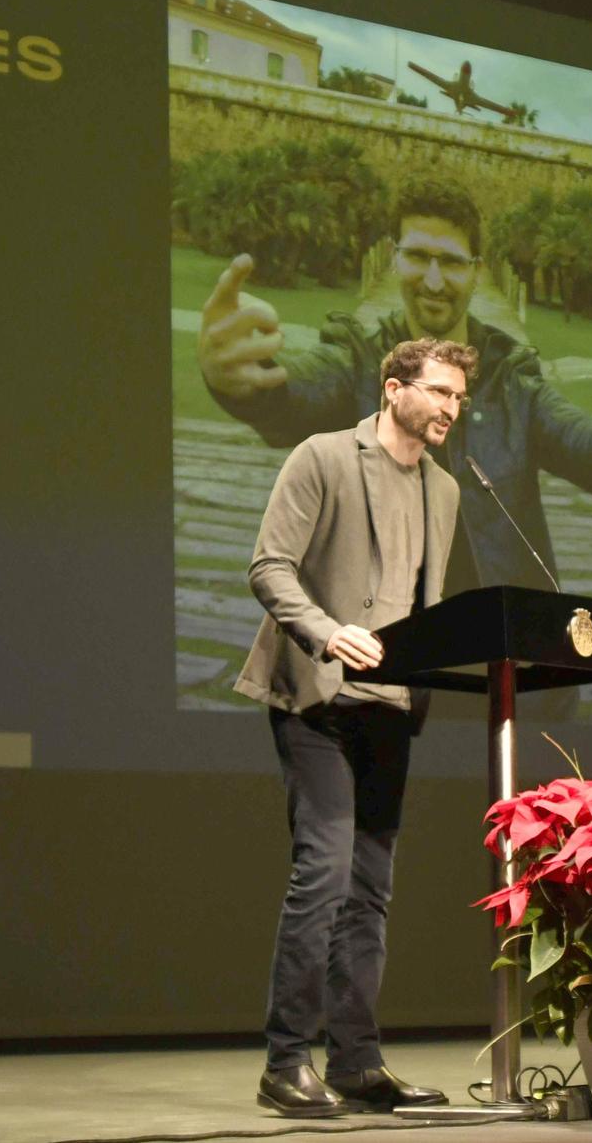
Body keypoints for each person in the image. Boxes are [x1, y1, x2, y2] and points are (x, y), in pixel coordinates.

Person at [197, 174, 592, 608]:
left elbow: (582, 439)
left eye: (451, 263)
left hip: (494, 659)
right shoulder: (358, 360)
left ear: (477, 271)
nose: (433, 281)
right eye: (417, 257)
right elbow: (295, 395)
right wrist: (243, 382)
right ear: (395, 259)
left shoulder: (510, 379)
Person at [241, 337, 476, 1118]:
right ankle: (285, 1063)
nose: (449, 408)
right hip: (314, 696)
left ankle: (357, 1062)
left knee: (371, 890)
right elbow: (270, 566)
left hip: (391, 707)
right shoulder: (321, 456)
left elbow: (424, 600)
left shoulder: (444, 490)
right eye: (438, 392)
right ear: (392, 388)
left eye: (458, 398)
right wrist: (325, 629)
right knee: (326, 870)